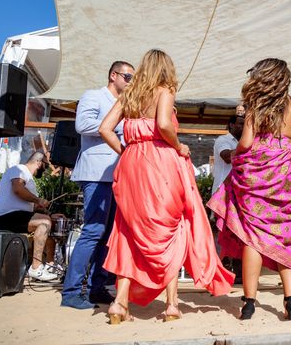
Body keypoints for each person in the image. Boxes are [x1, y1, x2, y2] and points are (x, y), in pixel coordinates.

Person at [100, 49, 233, 324]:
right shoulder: (165, 90)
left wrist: (124, 150)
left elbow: (104, 128)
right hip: (160, 163)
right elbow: (163, 124)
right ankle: (171, 305)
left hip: (131, 165)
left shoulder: (130, 94)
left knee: (128, 230)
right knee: (174, 228)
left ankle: (119, 303)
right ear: (166, 69)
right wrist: (179, 145)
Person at [208, 58, 291, 321]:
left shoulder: (257, 106)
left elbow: (246, 142)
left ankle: (250, 303)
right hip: (286, 171)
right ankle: (290, 300)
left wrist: (240, 156)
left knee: (253, 237)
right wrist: (284, 141)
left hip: (258, 171)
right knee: (284, 235)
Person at [61, 60, 135, 309]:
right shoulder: (93, 95)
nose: (130, 82)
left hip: (118, 175)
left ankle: (96, 288)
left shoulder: (126, 104)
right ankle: (71, 292)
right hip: (95, 174)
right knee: (93, 231)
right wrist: (117, 126)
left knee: (108, 235)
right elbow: (82, 125)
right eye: (127, 77)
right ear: (113, 75)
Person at [0, 152, 57, 282]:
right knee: (44, 223)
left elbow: (31, 207)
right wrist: (38, 200)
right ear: (39, 163)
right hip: (7, 216)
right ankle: (35, 268)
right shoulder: (19, 169)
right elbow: (17, 189)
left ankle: (50, 265)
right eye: (45, 166)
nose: (45, 170)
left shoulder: (28, 178)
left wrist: (50, 214)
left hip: (18, 215)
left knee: (50, 221)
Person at [212, 114, 245, 282]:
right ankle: (222, 270)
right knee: (223, 231)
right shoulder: (223, 140)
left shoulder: (245, 141)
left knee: (238, 232)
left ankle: (238, 273)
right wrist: (248, 149)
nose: (243, 126)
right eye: (240, 124)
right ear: (231, 125)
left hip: (239, 194)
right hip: (223, 193)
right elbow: (227, 157)